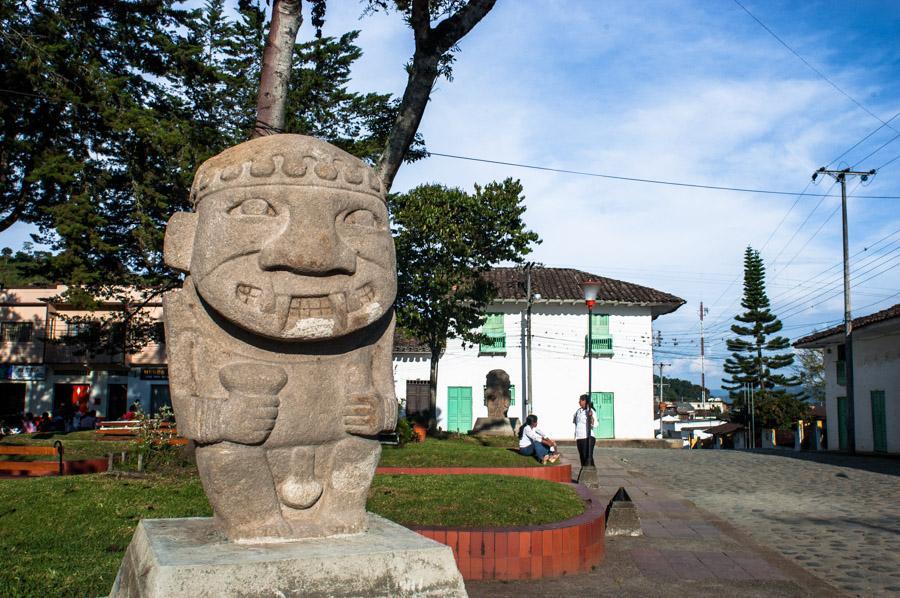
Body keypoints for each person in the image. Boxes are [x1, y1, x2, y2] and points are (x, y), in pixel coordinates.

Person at [573, 394, 597, 466]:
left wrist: (591, 416)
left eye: (580, 400)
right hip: (579, 437)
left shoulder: (590, 411)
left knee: (588, 458)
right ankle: (584, 474)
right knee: (582, 457)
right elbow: (576, 423)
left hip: (587, 438)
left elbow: (595, 424)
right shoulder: (578, 411)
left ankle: (591, 474)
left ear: (585, 401)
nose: (579, 402)